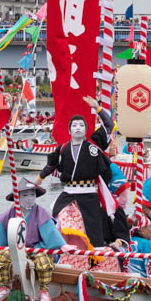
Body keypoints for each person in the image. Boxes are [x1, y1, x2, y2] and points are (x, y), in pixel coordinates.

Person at [0, 176, 65, 301]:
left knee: (44, 262)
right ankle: (5, 287)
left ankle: (44, 291)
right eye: (25, 195)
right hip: (15, 249)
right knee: (0, 257)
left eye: (32, 194)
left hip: (37, 249)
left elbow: (51, 233)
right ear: (18, 197)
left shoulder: (41, 213)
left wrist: (63, 245)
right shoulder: (11, 212)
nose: (30, 198)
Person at [35, 99, 114, 251]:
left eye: (81, 125)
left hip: (89, 194)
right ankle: (65, 250)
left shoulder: (94, 143)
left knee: (93, 231)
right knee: (59, 218)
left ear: (86, 129)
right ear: (69, 130)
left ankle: (95, 257)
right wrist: (38, 181)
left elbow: (109, 125)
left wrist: (97, 108)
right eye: (74, 125)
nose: (78, 128)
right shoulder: (62, 148)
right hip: (68, 194)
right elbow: (50, 166)